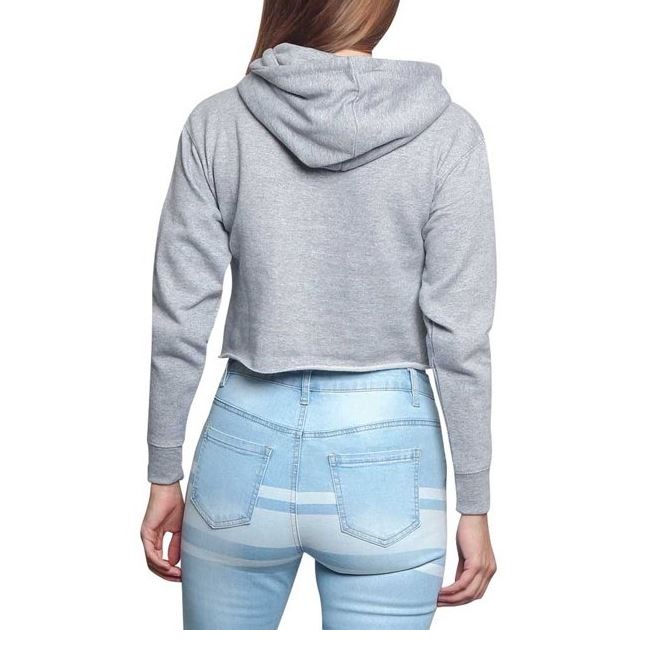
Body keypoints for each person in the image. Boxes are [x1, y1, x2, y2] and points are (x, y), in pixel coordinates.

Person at [141, 0, 497, 630]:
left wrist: (163, 472)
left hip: (242, 441)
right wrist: (475, 501)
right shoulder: (449, 133)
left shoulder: (218, 122)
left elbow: (180, 316)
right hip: (390, 452)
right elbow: (460, 336)